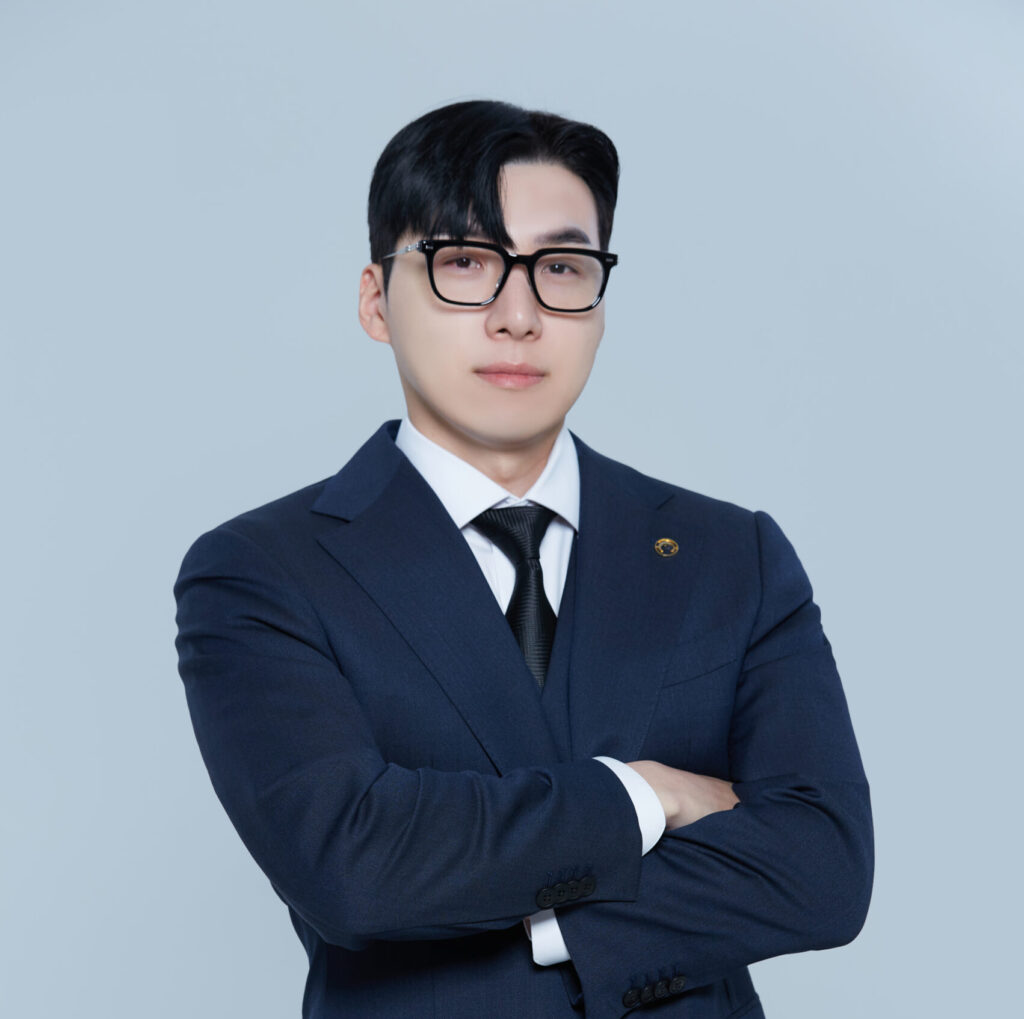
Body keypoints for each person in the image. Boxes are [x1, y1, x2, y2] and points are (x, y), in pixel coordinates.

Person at [174, 99, 873, 1019]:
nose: (518, 314)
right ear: (377, 300)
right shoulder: (263, 571)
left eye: (560, 268)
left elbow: (824, 867)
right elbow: (353, 868)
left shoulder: (728, 554)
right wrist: (643, 794)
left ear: (600, 302)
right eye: (465, 262)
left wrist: (526, 912)